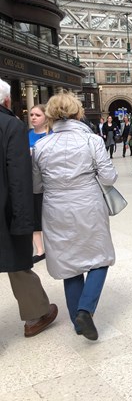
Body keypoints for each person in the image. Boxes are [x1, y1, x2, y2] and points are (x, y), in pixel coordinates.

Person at [32, 92, 116, 341]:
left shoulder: (40, 146)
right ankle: (85, 310)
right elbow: (108, 177)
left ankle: (78, 323)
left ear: (50, 115)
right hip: (88, 204)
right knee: (100, 257)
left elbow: (36, 186)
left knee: (70, 264)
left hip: (56, 208)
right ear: (77, 112)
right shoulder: (92, 141)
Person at [0, 80, 58, 338]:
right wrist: (24, 220)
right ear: (7, 101)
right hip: (4, 211)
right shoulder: (11, 125)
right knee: (16, 263)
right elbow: (19, 178)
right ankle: (36, 316)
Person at [28, 104, 50, 262]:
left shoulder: (52, 135)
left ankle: (52, 247)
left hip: (49, 184)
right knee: (34, 216)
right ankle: (40, 250)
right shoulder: (26, 135)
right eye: (31, 115)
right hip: (31, 183)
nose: (33, 118)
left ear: (46, 117)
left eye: (37, 115)